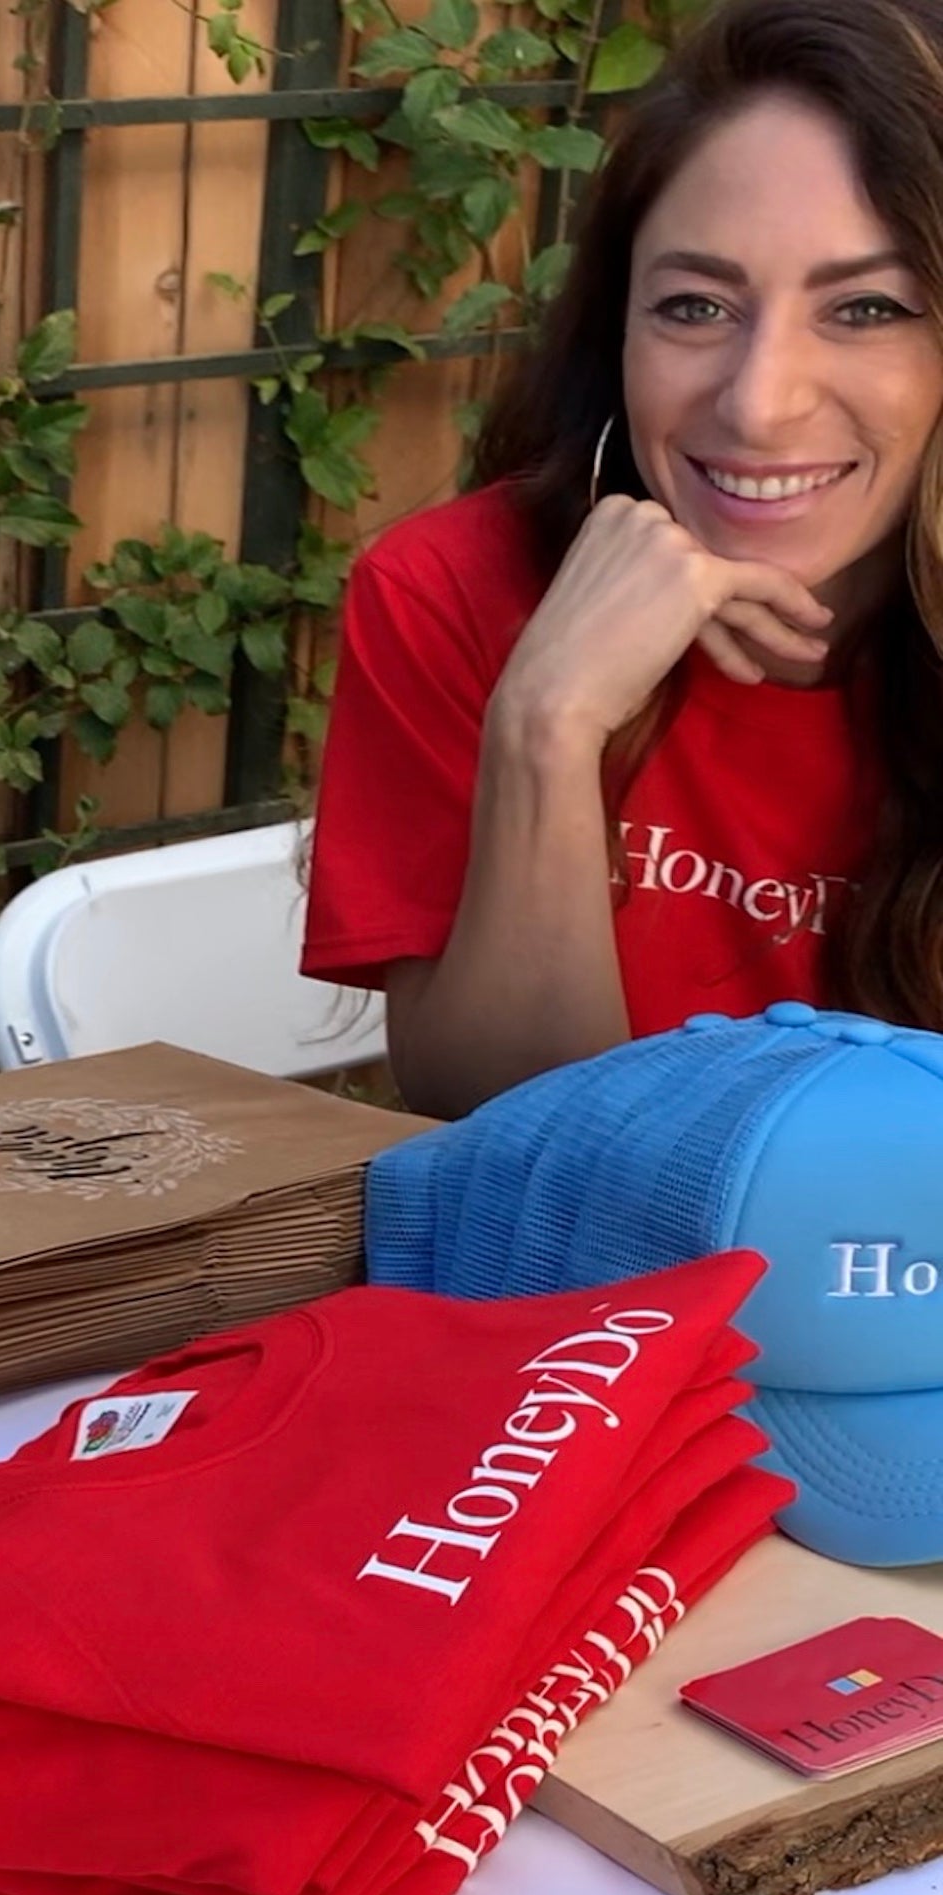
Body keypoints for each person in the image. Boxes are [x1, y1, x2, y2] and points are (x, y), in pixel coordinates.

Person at [301, 0, 943, 1116]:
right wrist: (547, 721)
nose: (758, 403)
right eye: (695, 306)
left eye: (865, 309)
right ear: (617, 329)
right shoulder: (454, 588)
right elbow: (495, 1123)